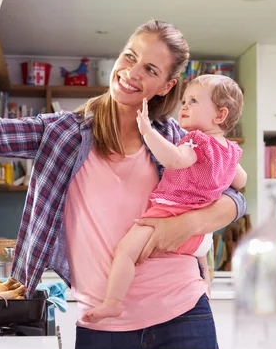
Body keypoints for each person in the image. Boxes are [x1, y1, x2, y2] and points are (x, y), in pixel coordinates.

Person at [0, 0, 247, 349]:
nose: (132, 73)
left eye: (151, 70)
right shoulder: (63, 133)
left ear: (166, 87)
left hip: (183, 315)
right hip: (102, 325)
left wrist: (185, 225)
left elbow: (235, 195)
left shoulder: (175, 139)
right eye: (130, 56)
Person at [82, 75, 246, 323]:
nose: (184, 106)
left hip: (169, 213)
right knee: (199, 268)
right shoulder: (231, 151)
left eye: (193, 101)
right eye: (184, 100)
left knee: (125, 252)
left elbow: (174, 160)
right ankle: (205, 282)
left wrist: (147, 131)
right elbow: (241, 181)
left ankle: (113, 303)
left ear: (219, 116)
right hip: (201, 239)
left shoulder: (196, 140)